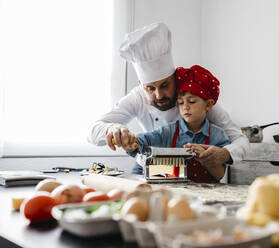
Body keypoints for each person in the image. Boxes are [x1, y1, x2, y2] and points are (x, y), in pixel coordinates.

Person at [88, 22, 249, 174]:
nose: (159, 95)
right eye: (150, 88)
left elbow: (240, 140)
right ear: (141, 85)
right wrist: (112, 129)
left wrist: (224, 153)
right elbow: (93, 132)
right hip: (150, 168)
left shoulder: (195, 98)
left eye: (165, 85)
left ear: (175, 77)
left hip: (188, 172)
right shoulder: (137, 97)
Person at [120, 65, 230, 182]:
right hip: (174, 192)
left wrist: (207, 159)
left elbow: (219, 175)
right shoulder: (169, 132)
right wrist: (132, 141)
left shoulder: (218, 135)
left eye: (191, 101)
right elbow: (145, 139)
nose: (185, 107)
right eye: (180, 103)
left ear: (208, 105)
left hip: (206, 194)